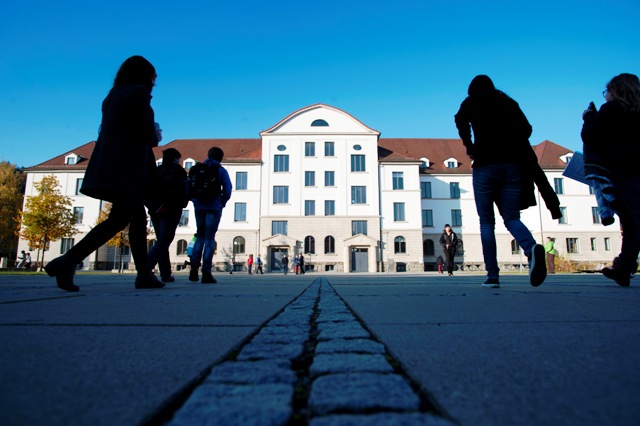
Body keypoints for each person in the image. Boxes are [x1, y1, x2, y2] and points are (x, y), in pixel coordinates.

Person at [45, 56, 163, 292]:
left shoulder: (113, 95)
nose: (153, 82)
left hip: (111, 161)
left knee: (136, 217)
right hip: (128, 164)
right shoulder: (139, 93)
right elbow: (142, 131)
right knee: (120, 219)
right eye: (152, 77)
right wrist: (155, 136)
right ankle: (67, 260)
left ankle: (143, 274)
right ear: (145, 76)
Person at [454, 75, 547, 289]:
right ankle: (530, 247)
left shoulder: (471, 103)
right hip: (511, 166)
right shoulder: (508, 102)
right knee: (512, 217)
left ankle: (493, 275)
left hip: (485, 165)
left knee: (487, 222)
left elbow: (459, 120)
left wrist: (469, 145)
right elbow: (527, 129)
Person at [582, 73, 640, 286]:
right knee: (632, 223)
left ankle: (623, 267)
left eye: (607, 92)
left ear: (616, 91)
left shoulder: (611, 109)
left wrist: (589, 117)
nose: (606, 96)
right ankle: (623, 269)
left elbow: (590, 136)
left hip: (622, 173)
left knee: (634, 223)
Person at [188, 147, 232, 284]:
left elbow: (189, 187)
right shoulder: (220, 171)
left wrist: (195, 200)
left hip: (199, 206)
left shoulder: (197, 168)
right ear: (220, 157)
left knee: (199, 236)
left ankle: (194, 269)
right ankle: (206, 272)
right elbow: (228, 188)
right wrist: (222, 202)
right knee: (210, 239)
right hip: (214, 207)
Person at [146, 147, 188, 283]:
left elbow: (146, 192)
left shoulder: (156, 171)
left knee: (161, 241)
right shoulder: (179, 171)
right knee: (165, 240)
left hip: (156, 211)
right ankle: (146, 268)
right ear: (176, 159)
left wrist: (153, 207)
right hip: (171, 210)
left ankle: (165, 274)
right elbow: (183, 192)